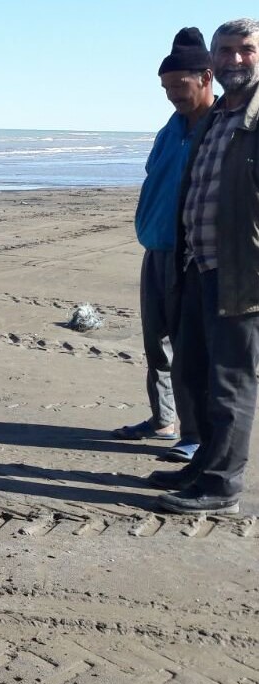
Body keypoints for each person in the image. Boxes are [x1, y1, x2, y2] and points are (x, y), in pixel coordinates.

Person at [152, 18, 259, 515]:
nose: (236, 59)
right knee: (194, 372)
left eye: (247, 50)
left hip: (242, 274)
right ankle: (201, 469)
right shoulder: (218, 118)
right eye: (227, 50)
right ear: (213, 59)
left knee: (232, 383)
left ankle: (222, 489)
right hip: (198, 265)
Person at [111, 28, 214, 463]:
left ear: (206, 77)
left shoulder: (221, 127)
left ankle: (194, 434)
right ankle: (163, 419)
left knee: (192, 347)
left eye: (180, 86)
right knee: (158, 342)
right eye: (166, 88)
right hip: (155, 249)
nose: (172, 95)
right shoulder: (169, 130)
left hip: (193, 252)